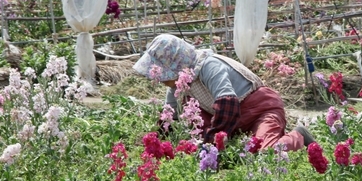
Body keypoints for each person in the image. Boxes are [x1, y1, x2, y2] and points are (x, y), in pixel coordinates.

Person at [134, 34, 314, 150]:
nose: (160, 80)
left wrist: (212, 144)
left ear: (174, 64)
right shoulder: (179, 84)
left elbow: (227, 102)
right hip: (234, 122)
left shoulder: (209, 65)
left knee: (267, 154)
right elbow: (169, 118)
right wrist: (156, 143)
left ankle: (299, 135)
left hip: (261, 110)